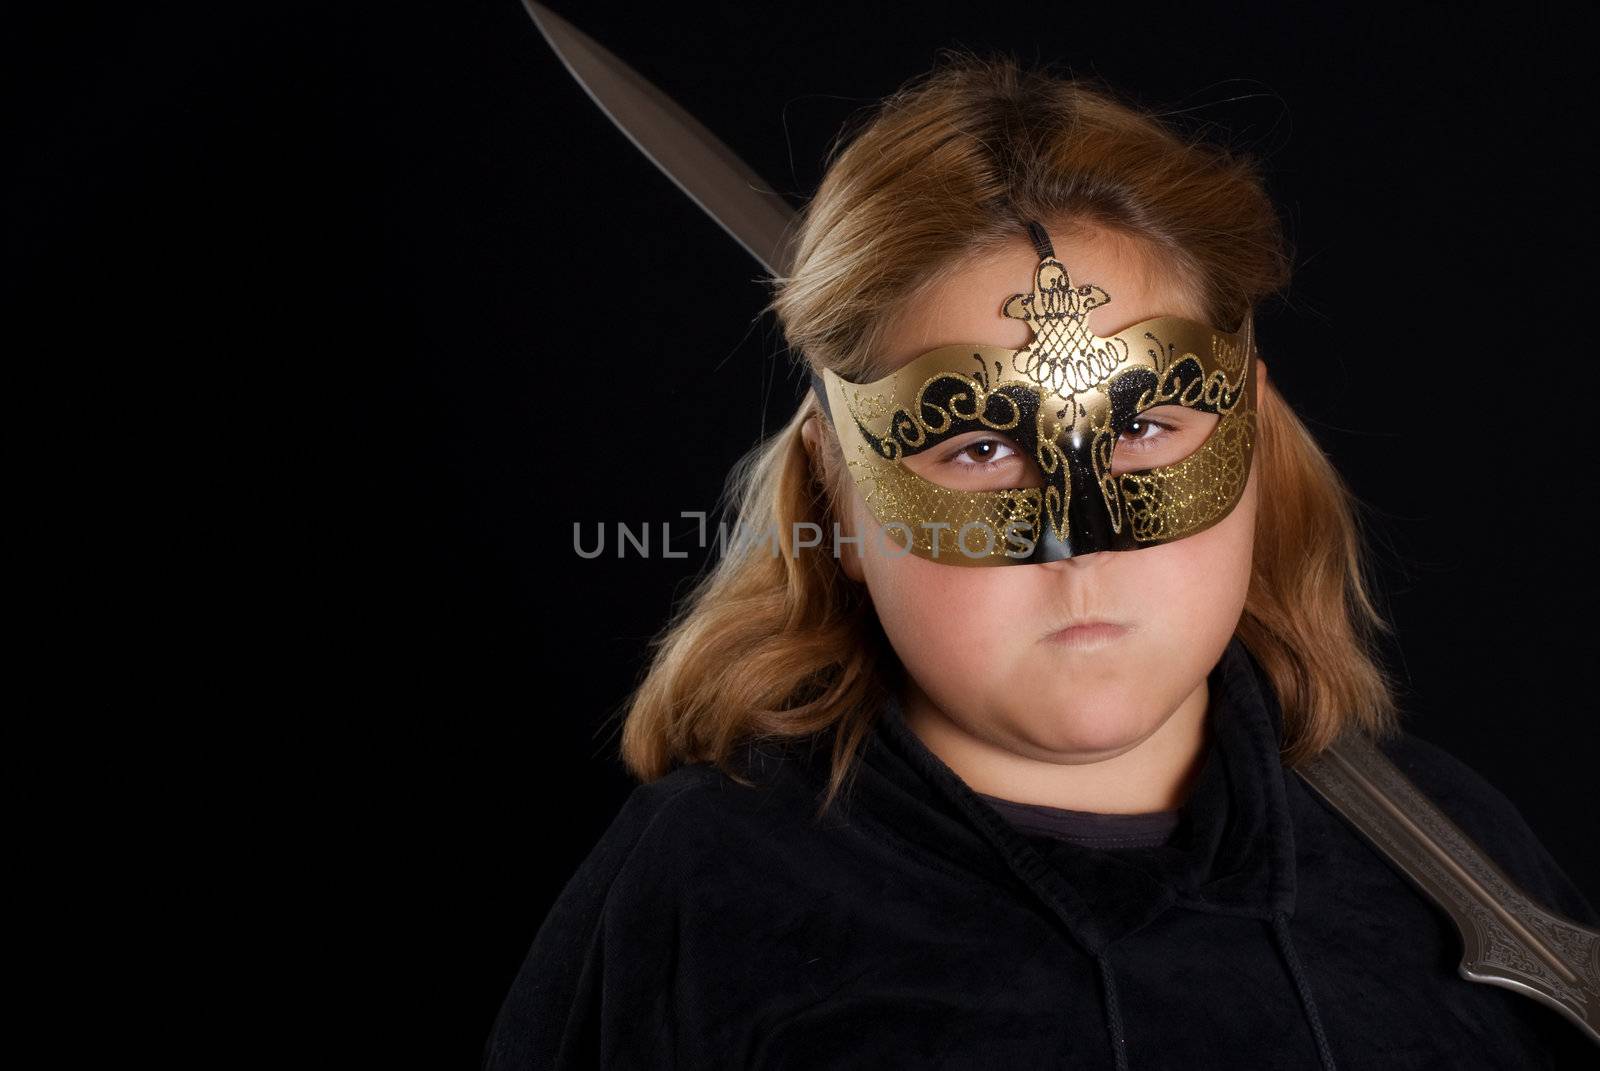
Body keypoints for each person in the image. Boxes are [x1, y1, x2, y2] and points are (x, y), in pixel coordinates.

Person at [483, 53, 1596, 1068]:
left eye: (1145, 427)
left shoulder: (1455, 859)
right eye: (975, 446)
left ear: (1250, 431)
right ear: (838, 488)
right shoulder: (708, 899)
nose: (1079, 540)